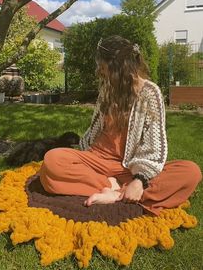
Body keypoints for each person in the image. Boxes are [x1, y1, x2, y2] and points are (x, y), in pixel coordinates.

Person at [39, 36, 202, 215]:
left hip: (130, 167)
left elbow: (155, 148)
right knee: (53, 161)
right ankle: (117, 189)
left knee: (191, 172)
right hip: (96, 162)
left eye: (103, 67)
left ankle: (116, 193)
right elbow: (94, 130)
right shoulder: (107, 90)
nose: (99, 72)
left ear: (118, 68)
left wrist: (139, 179)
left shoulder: (150, 93)